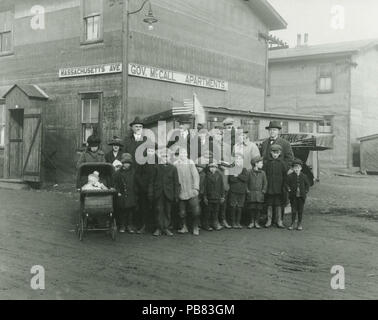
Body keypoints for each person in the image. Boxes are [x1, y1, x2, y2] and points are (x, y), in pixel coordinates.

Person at [151, 148, 180, 237]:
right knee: (159, 210)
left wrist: (176, 195)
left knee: (168, 210)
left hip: (169, 193)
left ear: (169, 158)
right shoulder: (156, 167)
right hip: (159, 192)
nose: (165, 158)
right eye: (163, 156)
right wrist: (151, 193)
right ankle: (159, 228)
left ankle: (166, 227)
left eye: (166, 156)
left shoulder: (173, 168)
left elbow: (176, 183)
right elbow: (151, 181)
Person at [174, 148, 201, 236]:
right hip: (181, 191)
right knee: (182, 212)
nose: (183, 155)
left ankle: (195, 227)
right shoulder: (175, 164)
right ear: (178, 155)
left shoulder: (190, 163)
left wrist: (196, 188)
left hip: (191, 191)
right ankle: (184, 227)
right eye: (181, 153)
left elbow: (196, 176)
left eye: (184, 153)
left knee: (195, 211)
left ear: (187, 154)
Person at [134, 143, 157, 234]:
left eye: (152, 151)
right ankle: (143, 225)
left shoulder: (158, 160)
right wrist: (143, 185)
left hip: (155, 189)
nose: (150, 152)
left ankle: (154, 226)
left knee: (155, 208)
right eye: (149, 151)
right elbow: (137, 175)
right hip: (144, 189)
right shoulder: (142, 161)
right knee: (144, 208)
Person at [113, 153, 138, 233]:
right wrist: (118, 192)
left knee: (130, 211)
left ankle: (129, 225)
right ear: (122, 163)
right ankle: (122, 225)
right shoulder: (118, 173)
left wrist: (135, 192)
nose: (126, 165)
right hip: (122, 194)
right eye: (125, 163)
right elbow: (115, 184)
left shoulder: (134, 172)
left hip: (131, 194)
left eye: (128, 163)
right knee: (122, 211)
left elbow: (136, 183)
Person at [264, 144, 287, 228]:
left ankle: (279, 221)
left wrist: (283, 187)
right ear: (270, 152)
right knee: (269, 204)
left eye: (277, 152)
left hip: (279, 189)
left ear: (280, 153)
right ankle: (269, 220)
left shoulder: (282, 164)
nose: (275, 154)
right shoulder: (267, 163)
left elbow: (285, 176)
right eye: (273, 152)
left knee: (278, 205)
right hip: (269, 188)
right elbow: (264, 175)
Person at [286, 159, 310, 231]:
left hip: (301, 197)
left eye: (298, 167)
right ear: (293, 168)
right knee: (293, 210)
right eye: (295, 167)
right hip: (293, 196)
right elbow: (286, 184)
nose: (297, 169)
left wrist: (305, 191)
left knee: (300, 210)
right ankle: (292, 223)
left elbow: (307, 185)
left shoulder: (304, 176)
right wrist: (289, 189)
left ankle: (299, 224)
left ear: (301, 168)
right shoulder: (290, 176)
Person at [228, 153, 249, 229]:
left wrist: (238, 175)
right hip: (233, 190)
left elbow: (246, 179)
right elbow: (231, 179)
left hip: (242, 191)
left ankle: (238, 222)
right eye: (236, 158)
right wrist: (240, 177)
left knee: (240, 207)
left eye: (240, 159)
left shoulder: (244, 169)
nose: (238, 160)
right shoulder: (231, 168)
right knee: (233, 206)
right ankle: (233, 222)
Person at [246, 156, 267, 229]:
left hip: (259, 194)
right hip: (251, 194)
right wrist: (247, 191)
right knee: (252, 208)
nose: (262, 164)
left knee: (258, 208)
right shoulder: (249, 172)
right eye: (261, 163)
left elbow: (265, 183)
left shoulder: (263, 173)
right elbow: (246, 182)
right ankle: (252, 222)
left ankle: (257, 222)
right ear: (255, 164)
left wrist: (263, 191)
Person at [203, 161, 225, 231]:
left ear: (217, 168)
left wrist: (222, 196)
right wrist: (205, 197)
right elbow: (204, 187)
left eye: (214, 167)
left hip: (217, 196)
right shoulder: (206, 176)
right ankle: (207, 225)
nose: (213, 169)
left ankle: (215, 223)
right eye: (211, 167)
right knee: (208, 211)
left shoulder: (219, 175)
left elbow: (222, 186)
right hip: (209, 197)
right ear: (209, 168)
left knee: (216, 211)